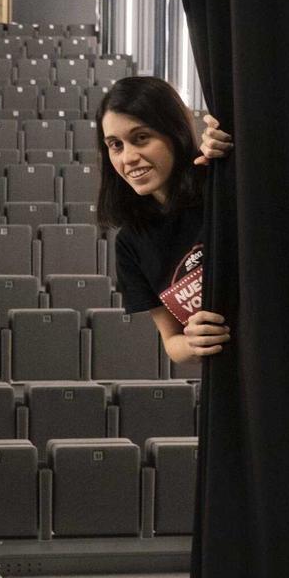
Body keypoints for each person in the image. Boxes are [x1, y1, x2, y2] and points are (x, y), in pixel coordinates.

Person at [95, 76, 233, 363]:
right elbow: (172, 342)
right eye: (116, 145)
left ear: (174, 131)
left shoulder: (220, 185)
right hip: (228, 372)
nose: (128, 158)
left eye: (141, 138)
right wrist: (192, 342)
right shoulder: (130, 242)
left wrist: (232, 150)